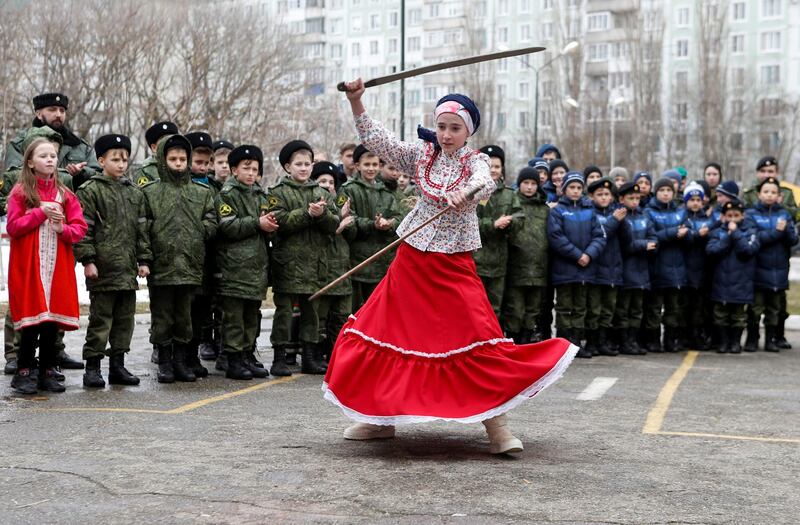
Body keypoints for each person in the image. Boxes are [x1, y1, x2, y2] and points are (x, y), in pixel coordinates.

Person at [324, 79, 577, 455]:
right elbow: (380, 141)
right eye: (441, 126)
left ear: (468, 131)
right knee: (388, 329)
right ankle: (380, 419)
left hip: (454, 261)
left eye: (454, 128)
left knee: (475, 333)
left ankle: (497, 428)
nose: (446, 134)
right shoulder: (421, 154)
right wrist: (357, 101)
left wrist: (469, 191)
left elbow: (485, 182)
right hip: (412, 256)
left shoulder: (475, 161)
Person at [6, 138, 87, 394]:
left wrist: (63, 228)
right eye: (43, 156)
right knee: (32, 322)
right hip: (29, 267)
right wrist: (40, 213)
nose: (50, 159)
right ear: (30, 162)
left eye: (53, 155)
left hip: (57, 268)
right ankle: (24, 370)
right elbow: (13, 227)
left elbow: (80, 228)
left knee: (51, 322)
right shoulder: (21, 193)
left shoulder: (66, 194)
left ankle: (47, 370)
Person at [75, 134, 150, 388]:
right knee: (100, 322)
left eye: (125, 159)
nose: (121, 164)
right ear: (101, 160)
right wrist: (88, 260)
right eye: (115, 159)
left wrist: (144, 260)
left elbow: (142, 231)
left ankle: (118, 365)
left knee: (123, 322)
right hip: (103, 270)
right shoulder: (91, 190)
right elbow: (83, 229)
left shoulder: (134, 193)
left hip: (127, 271)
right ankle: (92, 367)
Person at [141, 134, 217, 383]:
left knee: (185, 316)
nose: (178, 163)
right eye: (172, 158)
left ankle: (181, 360)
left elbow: (211, 219)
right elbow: (142, 227)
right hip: (162, 266)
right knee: (163, 316)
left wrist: (200, 232)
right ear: (163, 160)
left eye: (182, 158)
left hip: (190, 264)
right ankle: (164, 361)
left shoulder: (201, 192)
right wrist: (146, 258)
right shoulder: (150, 192)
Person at [268, 140, 339, 375]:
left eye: (307, 164)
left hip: (315, 264)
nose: (303, 168)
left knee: (312, 313)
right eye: (298, 164)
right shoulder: (277, 193)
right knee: (284, 313)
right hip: (287, 263)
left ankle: (310, 356)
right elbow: (280, 222)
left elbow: (334, 224)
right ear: (287, 167)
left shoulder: (322, 193)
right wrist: (307, 213)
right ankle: (279, 356)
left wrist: (322, 216)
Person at [214, 145, 277, 379]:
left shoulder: (260, 195)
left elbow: (267, 222)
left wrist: (270, 225)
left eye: (255, 169)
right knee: (234, 317)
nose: (251, 173)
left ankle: (247, 354)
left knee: (252, 315)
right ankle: (233, 359)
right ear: (234, 170)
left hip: (256, 267)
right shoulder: (227, 195)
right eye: (246, 168)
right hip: (234, 267)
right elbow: (227, 225)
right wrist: (257, 223)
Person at [742, 156, 798, 350]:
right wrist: (776, 232)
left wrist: (787, 230)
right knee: (755, 306)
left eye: (773, 192)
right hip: (757, 265)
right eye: (765, 191)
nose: (769, 195)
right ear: (759, 194)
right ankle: (752, 337)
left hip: (778, 266)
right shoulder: (751, 210)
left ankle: (772, 339)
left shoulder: (784, 212)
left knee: (775, 307)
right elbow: (753, 236)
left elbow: (793, 238)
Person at [339, 145, 401, 310]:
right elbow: (348, 219)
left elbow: (398, 217)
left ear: (380, 166)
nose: (371, 168)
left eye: (374, 165)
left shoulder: (387, 193)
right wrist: (371, 225)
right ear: (357, 166)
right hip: (356, 261)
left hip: (382, 262)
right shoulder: (348, 190)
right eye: (367, 165)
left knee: (379, 310)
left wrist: (389, 224)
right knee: (355, 311)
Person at [3, 92, 99, 189]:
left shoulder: (80, 146)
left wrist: (81, 173)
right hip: (33, 200)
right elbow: (13, 176)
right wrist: (64, 175)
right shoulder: (20, 143)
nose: (58, 114)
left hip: (73, 202)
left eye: (62, 111)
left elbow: (99, 175)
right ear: (39, 114)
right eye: (52, 110)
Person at [312, 161, 356, 363]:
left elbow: (353, 234)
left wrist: (347, 221)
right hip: (321, 268)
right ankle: (317, 353)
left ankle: (336, 353)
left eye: (331, 182)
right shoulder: (315, 206)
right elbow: (317, 236)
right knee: (320, 316)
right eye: (322, 181)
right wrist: (337, 225)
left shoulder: (342, 203)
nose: (328, 185)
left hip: (342, 267)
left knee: (341, 316)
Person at [474, 145, 522, 321]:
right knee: (476, 307)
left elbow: (520, 218)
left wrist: (509, 223)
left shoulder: (510, 195)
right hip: (475, 261)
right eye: (489, 166)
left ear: (502, 169)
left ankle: (493, 343)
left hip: (499, 262)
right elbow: (468, 223)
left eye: (496, 166)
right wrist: (493, 224)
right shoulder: (473, 193)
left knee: (495, 307)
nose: (493, 170)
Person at [643, 177, 690, 353]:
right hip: (657, 267)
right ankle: (653, 340)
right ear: (656, 192)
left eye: (669, 190)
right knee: (655, 308)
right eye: (662, 190)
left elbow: (688, 234)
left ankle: (670, 340)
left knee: (673, 308)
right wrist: (672, 233)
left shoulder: (680, 212)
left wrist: (686, 234)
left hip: (677, 269)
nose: (665, 193)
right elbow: (652, 236)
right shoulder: (649, 212)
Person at [706, 200, 760, 354]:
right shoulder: (717, 233)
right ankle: (723, 342)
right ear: (723, 217)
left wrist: (735, 234)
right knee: (720, 315)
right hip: (721, 282)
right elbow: (712, 251)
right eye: (729, 216)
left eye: (736, 215)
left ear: (742, 216)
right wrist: (727, 237)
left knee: (738, 316)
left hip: (741, 283)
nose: (732, 219)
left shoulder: (750, 232)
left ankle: (735, 342)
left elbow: (748, 251)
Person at [504, 167, 549, 344]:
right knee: (515, 308)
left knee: (533, 308)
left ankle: (527, 337)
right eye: (526, 183)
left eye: (533, 183)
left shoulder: (544, 209)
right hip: (517, 267)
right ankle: (514, 339)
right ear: (519, 184)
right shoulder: (513, 205)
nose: (530, 187)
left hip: (539, 267)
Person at [612, 181, 656, 355]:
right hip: (625, 271)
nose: (635, 201)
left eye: (637, 198)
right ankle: (623, 341)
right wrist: (643, 245)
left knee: (636, 310)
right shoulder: (619, 217)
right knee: (623, 309)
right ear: (622, 199)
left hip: (641, 271)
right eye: (631, 198)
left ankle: (633, 341)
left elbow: (654, 239)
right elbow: (625, 245)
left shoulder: (644, 217)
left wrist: (647, 244)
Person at [585, 177, 625, 357]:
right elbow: (600, 235)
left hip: (613, 269)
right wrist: (613, 221)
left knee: (608, 309)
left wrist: (621, 221)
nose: (603, 197)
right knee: (594, 309)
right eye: (599, 194)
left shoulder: (617, 213)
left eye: (607, 194)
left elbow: (627, 239)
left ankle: (603, 341)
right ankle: (592, 342)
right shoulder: (589, 213)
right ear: (592, 196)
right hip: (596, 269)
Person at [682, 183, 715, 350]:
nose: (695, 203)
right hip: (684, 269)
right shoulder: (682, 217)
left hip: (702, 270)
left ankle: (695, 336)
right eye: (692, 199)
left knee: (698, 307)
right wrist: (696, 235)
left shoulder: (707, 220)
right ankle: (681, 337)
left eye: (698, 200)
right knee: (684, 306)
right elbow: (684, 238)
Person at [132, 121, 180, 187]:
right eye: (164, 141)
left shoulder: (184, 166)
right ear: (154, 148)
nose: (170, 144)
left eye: (172, 140)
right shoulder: (145, 172)